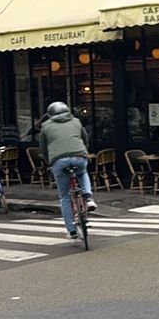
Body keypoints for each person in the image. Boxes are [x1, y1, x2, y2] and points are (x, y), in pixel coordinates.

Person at [38, 101, 97, 238]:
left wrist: (49, 161)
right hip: (78, 156)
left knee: (64, 196)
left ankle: (71, 230)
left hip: (58, 160)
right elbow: (85, 138)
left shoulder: (46, 126)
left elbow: (43, 147)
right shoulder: (76, 121)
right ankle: (88, 197)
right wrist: (84, 151)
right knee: (82, 173)